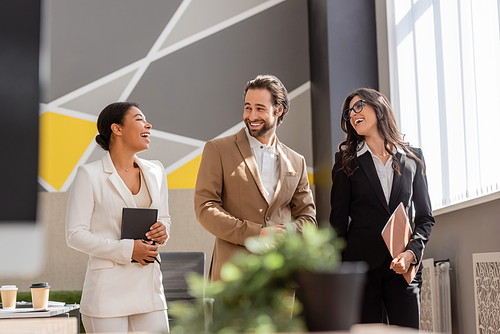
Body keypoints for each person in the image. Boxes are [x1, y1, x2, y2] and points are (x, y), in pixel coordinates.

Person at [194, 74, 317, 281]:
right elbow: (205, 208)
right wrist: (255, 234)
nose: (251, 115)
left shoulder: (297, 161)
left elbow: (308, 218)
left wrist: (284, 234)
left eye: (260, 108)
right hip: (232, 274)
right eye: (247, 107)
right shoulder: (217, 149)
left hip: (280, 274)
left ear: (279, 110)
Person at [329, 88, 435, 328]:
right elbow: (337, 222)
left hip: (404, 268)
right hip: (361, 269)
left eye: (358, 106)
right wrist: (338, 273)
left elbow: (425, 217)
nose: (352, 114)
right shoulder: (346, 161)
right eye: (348, 112)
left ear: (378, 107)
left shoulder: (413, 158)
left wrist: (412, 254)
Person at [66, 102, 171, 333]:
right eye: (139, 119)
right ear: (117, 128)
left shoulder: (156, 170)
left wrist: (163, 230)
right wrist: (128, 250)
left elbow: (164, 217)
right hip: (107, 293)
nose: (148, 124)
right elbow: (75, 235)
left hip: (149, 288)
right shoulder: (89, 174)